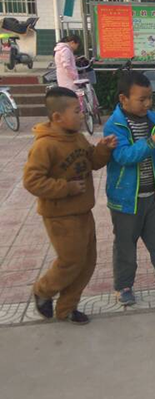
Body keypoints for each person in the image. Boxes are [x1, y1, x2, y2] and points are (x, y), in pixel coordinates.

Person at [23, 87, 116, 324]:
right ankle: (43, 290)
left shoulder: (77, 137)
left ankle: (66, 308)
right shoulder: (44, 146)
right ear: (57, 117)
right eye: (76, 111)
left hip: (84, 212)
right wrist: (66, 188)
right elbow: (32, 181)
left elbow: (92, 161)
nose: (82, 114)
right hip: (60, 217)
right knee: (70, 262)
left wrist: (103, 148)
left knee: (87, 263)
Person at [104, 70, 155, 307]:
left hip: (153, 196)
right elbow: (123, 156)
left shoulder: (154, 119)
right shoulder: (114, 125)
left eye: (149, 97)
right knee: (125, 246)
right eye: (141, 99)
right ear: (123, 99)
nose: (147, 103)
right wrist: (151, 142)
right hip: (125, 200)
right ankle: (123, 286)